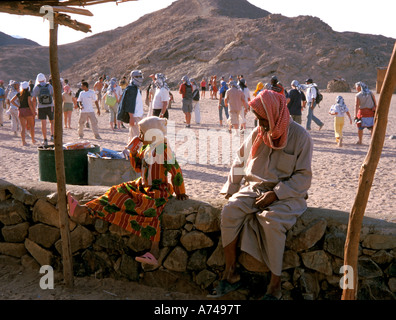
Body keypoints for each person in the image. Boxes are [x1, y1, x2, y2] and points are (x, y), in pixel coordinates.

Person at [213, 89, 313, 300]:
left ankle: (274, 285)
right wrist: (232, 190)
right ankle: (231, 272)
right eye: (257, 118)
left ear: (274, 114)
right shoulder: (258, 132)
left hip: (288, 194)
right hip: (255, 188)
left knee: (271, 221)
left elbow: (303, 178)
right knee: (230, 210)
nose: (259, 123)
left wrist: (276, 195)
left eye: (262, 118)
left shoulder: (300, 136)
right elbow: (240, 161)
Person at [67, 116, 189, 266]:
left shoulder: (163, 149)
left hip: (158, 190)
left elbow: (176, 170)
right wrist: (133, 150)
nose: (140, 136)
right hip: (141, 186)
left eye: (143, 133)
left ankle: (154, 250)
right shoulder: (146, 147)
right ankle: (83, 209)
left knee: (149, 208)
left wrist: (180, 191)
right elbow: (138, 168)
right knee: (115, 192)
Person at [118, 70, 145, 140]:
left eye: (140, 76)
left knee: (135, 137)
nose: (140, 78)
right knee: (135, 138)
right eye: (138, 77)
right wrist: (131, 117)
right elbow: (130, 104)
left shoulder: (135, 88)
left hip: (138, 116)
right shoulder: (131, 89)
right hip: (135, 116)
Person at [10, 81, 36, 146]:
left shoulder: (19, 93)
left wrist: (18, 106)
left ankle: (23, 142)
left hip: (21, 111)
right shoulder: (28, 93)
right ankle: (33, 140)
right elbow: (29, 103)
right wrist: (33, 112)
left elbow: (11, 101)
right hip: (27, 110)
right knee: (32, 126)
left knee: (23, 127)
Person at [32, 73, 55, 145]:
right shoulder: (49, 86)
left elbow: (34, 99)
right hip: (50, 106)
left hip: (41, 107)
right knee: (52, 122)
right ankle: (52, 136)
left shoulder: (37, 87)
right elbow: (53, 95)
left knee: (43, 123)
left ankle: (45, 139)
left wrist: (34, 109)